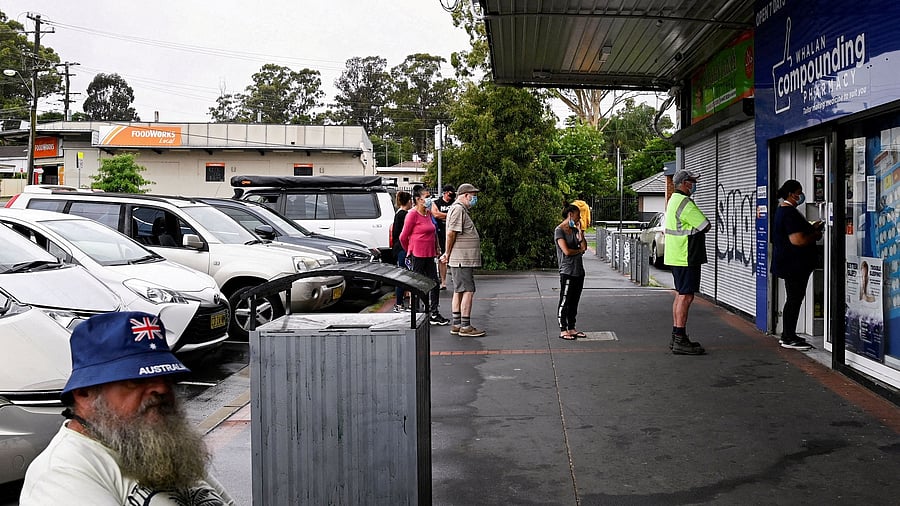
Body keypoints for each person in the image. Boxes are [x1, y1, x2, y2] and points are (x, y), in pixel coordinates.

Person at [20, 311, 235, 505]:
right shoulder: (62, 473)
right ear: (84, 393)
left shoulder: (164, 447)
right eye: (136, 381)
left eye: (166, 377)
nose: (161, 388)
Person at [772, 179, 823, 350]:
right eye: (799, 192)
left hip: (790, 264)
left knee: (792, 299)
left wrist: (810, 227)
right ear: (791, 194)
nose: (801, 196)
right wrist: (814, 235)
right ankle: (788, 336)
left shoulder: (783, 211)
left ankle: (788, 334)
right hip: (795, 265)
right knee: (794, 299)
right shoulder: (789, 213)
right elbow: (798, 240)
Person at [664, 169, 710, 355]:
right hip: (686, 255)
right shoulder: (684, 202)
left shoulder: (673, 200)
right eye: (692, 181)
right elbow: (705, 225)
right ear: (684, 183)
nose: (694, 184)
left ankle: (677, 336)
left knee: (680, 294)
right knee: (686, 296)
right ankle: (680, 339)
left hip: (677, 255)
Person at [400, 188, 450, 325]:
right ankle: (416, 311)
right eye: (427, 196)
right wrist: (409, 250)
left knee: (434, 283)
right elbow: (403, 237)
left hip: (429, 254)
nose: (429, 199)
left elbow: (433, 232)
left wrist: (437, 247)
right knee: (417, 284)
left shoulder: (428, 214)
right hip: (417, 254)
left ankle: (434, 312)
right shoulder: (412, 215)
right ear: (418, 199)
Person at [441, 183, 486, 337]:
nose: (475, 199)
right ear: (466, 195)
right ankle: (465, 326)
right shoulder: (458, 209)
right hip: (462, 259)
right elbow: (451, 233)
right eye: (473, 196)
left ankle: (457, 324)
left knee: (459, 290)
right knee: (468, 290)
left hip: (461, 259)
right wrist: (447, 253)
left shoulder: (458, 209)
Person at [555, 204, 588, 340]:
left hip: (579, 270)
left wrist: (580, 233)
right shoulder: (559, 230)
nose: (579, 217)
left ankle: (572, 327)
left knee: (575, 300)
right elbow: (567, 252)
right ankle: (563, 329)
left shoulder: (575, 230)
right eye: (577, 214)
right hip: (567, 270)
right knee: (565, 299)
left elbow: (584, 247)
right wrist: (579, 250)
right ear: (570, 214)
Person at [431, 184, 456, 290]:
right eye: (449, 194)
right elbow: (435, 214)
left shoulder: (454, 202)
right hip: (441, 232)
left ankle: (455, 278)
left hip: (453, 231)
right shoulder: (436, 203)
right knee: (442, 257)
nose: (451, 197)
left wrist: (444, 215)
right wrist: (450, 215)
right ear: (445, 193)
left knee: (454, 256)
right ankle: (443, 281)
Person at [392, 190, 413, 312]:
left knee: (403, 275)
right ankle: (399, 303)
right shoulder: (404, 215)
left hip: (398, 248)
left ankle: (400, 303)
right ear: (408, 201)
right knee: (405, 276)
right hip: (403, 248)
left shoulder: (398, 213)